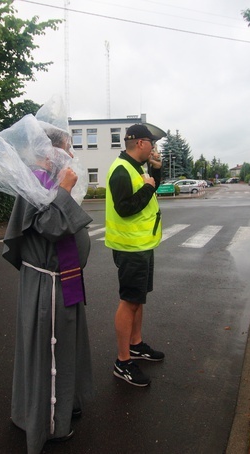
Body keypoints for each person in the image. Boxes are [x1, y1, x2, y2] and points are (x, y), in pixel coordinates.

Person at [0, 117, 93, 452]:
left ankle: (63, 405)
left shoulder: (43, 179)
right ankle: (50, 424)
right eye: (68, 147)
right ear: (51, 150)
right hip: (47, 285)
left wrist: (63, 190)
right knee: (50, 351)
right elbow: (52, 227)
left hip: (59, 278)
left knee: (63, 346)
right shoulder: (37, 181)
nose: (71, 155)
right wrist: (66, 190)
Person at [105, 123, 167, 387]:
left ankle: (136, 344)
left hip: (141, 245)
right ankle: (122, 361)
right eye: (151, 143)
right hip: (130, 248)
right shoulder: (121, 171)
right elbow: (125, 209)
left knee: (137, 299)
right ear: (140, 143)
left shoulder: (135, 168)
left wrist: (155, 172)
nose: (154, 147)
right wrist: (149, 187)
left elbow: (150, 188)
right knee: (129, 301)